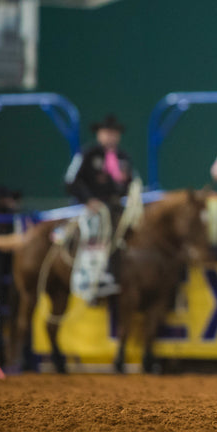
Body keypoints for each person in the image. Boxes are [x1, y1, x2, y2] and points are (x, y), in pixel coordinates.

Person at [64, 113, 137, 296]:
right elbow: (71, 181)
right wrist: (88, 200)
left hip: (117, 205)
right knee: (96, 228)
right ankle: (94, 277)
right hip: (93, 207)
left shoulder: (123, 157)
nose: (111, 136)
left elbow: (130, 183)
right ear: (99, 134)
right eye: (107, 132)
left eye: (114, 133)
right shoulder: (88, 154)